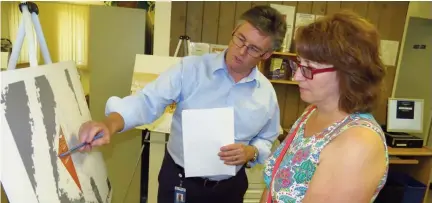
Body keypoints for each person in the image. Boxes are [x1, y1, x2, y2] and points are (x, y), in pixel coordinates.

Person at [78, 5, 287, 203]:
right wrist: (110, 124)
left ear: (266, 55)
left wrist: (252, 152)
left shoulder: (266, 95)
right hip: (180, 181)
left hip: (229, 189)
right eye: (240, 39)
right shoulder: (190, 69)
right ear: (234, 31)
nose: (241, 51)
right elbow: (147, 102)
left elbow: (267, 139)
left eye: (253, 49)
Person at [261, 10, 389, 203]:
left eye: (308, 68)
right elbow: (273, 186)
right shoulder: (312, 112)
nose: (297, 77)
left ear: (347, 71)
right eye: (299, 65)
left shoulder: (358, 143)